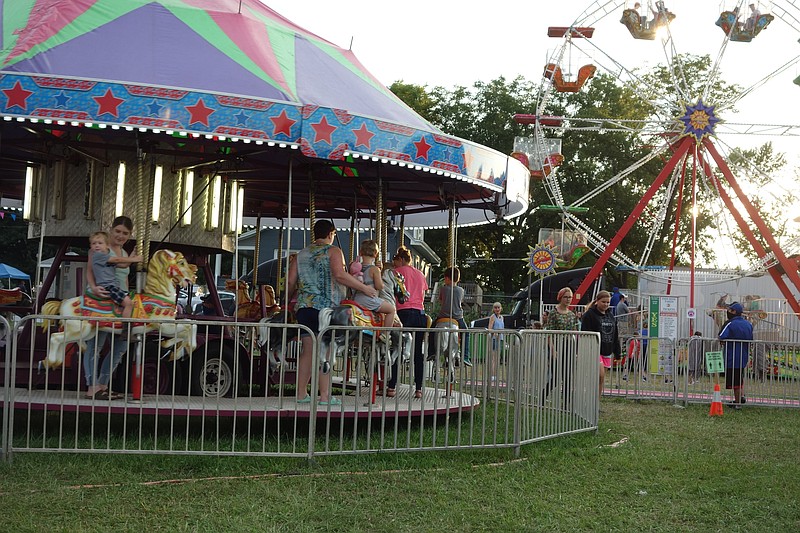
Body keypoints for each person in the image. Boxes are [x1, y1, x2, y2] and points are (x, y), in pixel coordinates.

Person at [286, 220, 377, 405]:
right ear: (331, 234)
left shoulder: (301, 254)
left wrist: (286, 302)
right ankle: (325, 396)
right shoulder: (333, 251)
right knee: (325, 351)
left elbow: (290, 281)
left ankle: (301, 393)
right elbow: (339, 275)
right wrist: (364, 288)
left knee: (307, 351)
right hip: (327, 309)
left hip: (304, 307)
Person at [84, 215, 135, 400]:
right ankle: (92, 386)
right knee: (96, 344)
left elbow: (125, 278)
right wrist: (95, 288)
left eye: (125, 233)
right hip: (103, 297)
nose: (120, 236)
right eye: (118, 231)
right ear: (111, 230)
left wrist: (128, 294)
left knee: (120, 346)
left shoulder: (124, 253)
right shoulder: (99, 248)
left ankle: (103, 385)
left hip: (119, 299)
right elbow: (89, 270)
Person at [388, 246, 428, 399]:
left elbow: (393, 293)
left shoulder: (397, 273)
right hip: (419, 313)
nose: (395, 265)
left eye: (396, 261)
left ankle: (392, 386)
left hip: (402, 312)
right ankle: (419, 388)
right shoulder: (420, 274)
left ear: (402, 259)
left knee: (397, 348)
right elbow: (423, 296)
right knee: (418, 352)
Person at [89, 231, 141, 321]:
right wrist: (134, 259)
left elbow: (124, 265)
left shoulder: (106, 257)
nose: (96, 245)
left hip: (113, 286)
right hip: (108, 287)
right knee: (129, 304)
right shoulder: (98, 256)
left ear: (107, 245)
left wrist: (133, 253)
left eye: (100, 243)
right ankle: (126, 330)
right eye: (94, 243)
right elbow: (117, 259)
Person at [351, 239, 396, 340]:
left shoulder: (357, 268)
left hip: (355, 299)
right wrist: (380, 273)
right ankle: (385, 334)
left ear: (360, 252)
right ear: (375, 254)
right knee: (391, 310)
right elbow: (379, 286)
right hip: (368, 299)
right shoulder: (374, 269)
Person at [581, 290, 621, 399]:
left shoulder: (611, 316)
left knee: (601, 379)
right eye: (603, 302)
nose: (606, 305)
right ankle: (587, 398)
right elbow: (585, 332)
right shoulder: (589, 315)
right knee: (600, 375)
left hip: (607, 350)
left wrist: (618, 353)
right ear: (597, 301)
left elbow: (615, 335)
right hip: (594, 349)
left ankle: (596, 401)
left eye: (608, 302)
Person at [543, 287, 580, 402]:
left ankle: (566, 403)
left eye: (570, 297)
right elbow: (549, 333)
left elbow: (575, 332)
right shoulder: (553, 313)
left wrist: (576, 351)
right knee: (556, 377)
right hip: (556, 345)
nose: (568, 299)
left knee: (568, 376)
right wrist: (553, 350)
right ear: (560, 297)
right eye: (565, 297)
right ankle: (543, 396)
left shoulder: (572, 314)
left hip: (569, 346)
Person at [434, 266, 471, 366]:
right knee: (466, 333)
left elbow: (440, 300)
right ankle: (466, 356)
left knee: (432, 330)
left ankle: (432, 352)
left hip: (443, 317)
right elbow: (461, 301)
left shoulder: (443, 289)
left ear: (446, 278)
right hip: (458, 318)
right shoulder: (461, 290)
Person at [718, 302, 753, 409]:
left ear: (734, 312)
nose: (728, 312)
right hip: (743, 356)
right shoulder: (748, 324)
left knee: (735, 380)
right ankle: (741, 397)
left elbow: (721, 336)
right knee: (739, 377)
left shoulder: (730, 323)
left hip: (732, 356)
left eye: (730, 310)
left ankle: (737, 403)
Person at [487, 301, 505, 381]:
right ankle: (492, 375)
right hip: (494, 339)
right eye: (495, 308)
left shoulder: (501, 317)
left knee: (498, 358)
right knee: (494, 358)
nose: (497, 309)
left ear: (501, 308)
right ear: (493, 309)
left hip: (500, 339)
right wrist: (494, 334)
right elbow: (490, 328)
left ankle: (495, 374)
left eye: (498, 307)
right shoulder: (492, 317)